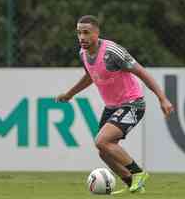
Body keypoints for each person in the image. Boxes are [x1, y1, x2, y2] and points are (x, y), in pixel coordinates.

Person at [55, 15, 174, 193]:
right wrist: (69, 94)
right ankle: (132, 184)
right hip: (112, 106)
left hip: (133, 104)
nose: (81, 37)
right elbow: (90, 76)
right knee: (104, 151)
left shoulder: (112, 52)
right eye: (79, 33)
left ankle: (138, 173)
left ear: (97, 33)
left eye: (86, 33)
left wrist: (162, 98)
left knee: (102, 141)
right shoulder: (83, 53)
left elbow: (142, 73)